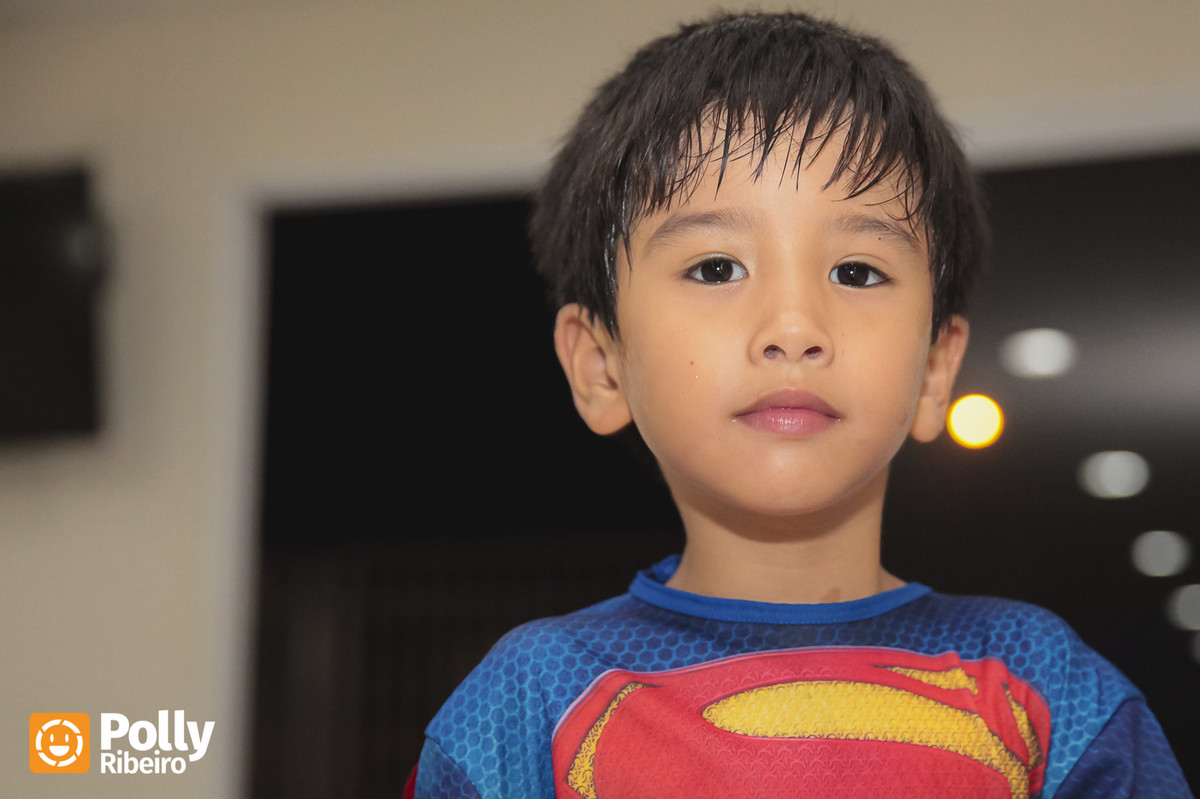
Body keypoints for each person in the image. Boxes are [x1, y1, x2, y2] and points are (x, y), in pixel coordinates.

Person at [411, 11, 1192, 798]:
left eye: (856, 271)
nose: (793, 328)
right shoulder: (530, 704)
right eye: (716, 268)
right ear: (601, 367)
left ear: (934, 369)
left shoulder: (1046, 691)